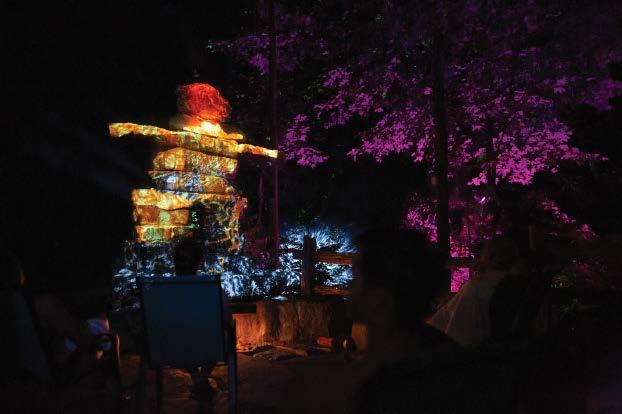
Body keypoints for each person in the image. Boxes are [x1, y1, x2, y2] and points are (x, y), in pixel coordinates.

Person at [349, 229, 523, 413]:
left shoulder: (392, 390)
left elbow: (462, 331)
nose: (350, 287)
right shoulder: (438, 364)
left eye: (355, 278)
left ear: (381, 300)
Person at [429, 236, 522, 347]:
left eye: (482, 254)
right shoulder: (515, 281)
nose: (478, 258)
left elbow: (459, 333)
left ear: (493, 258)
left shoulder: (478, 286)